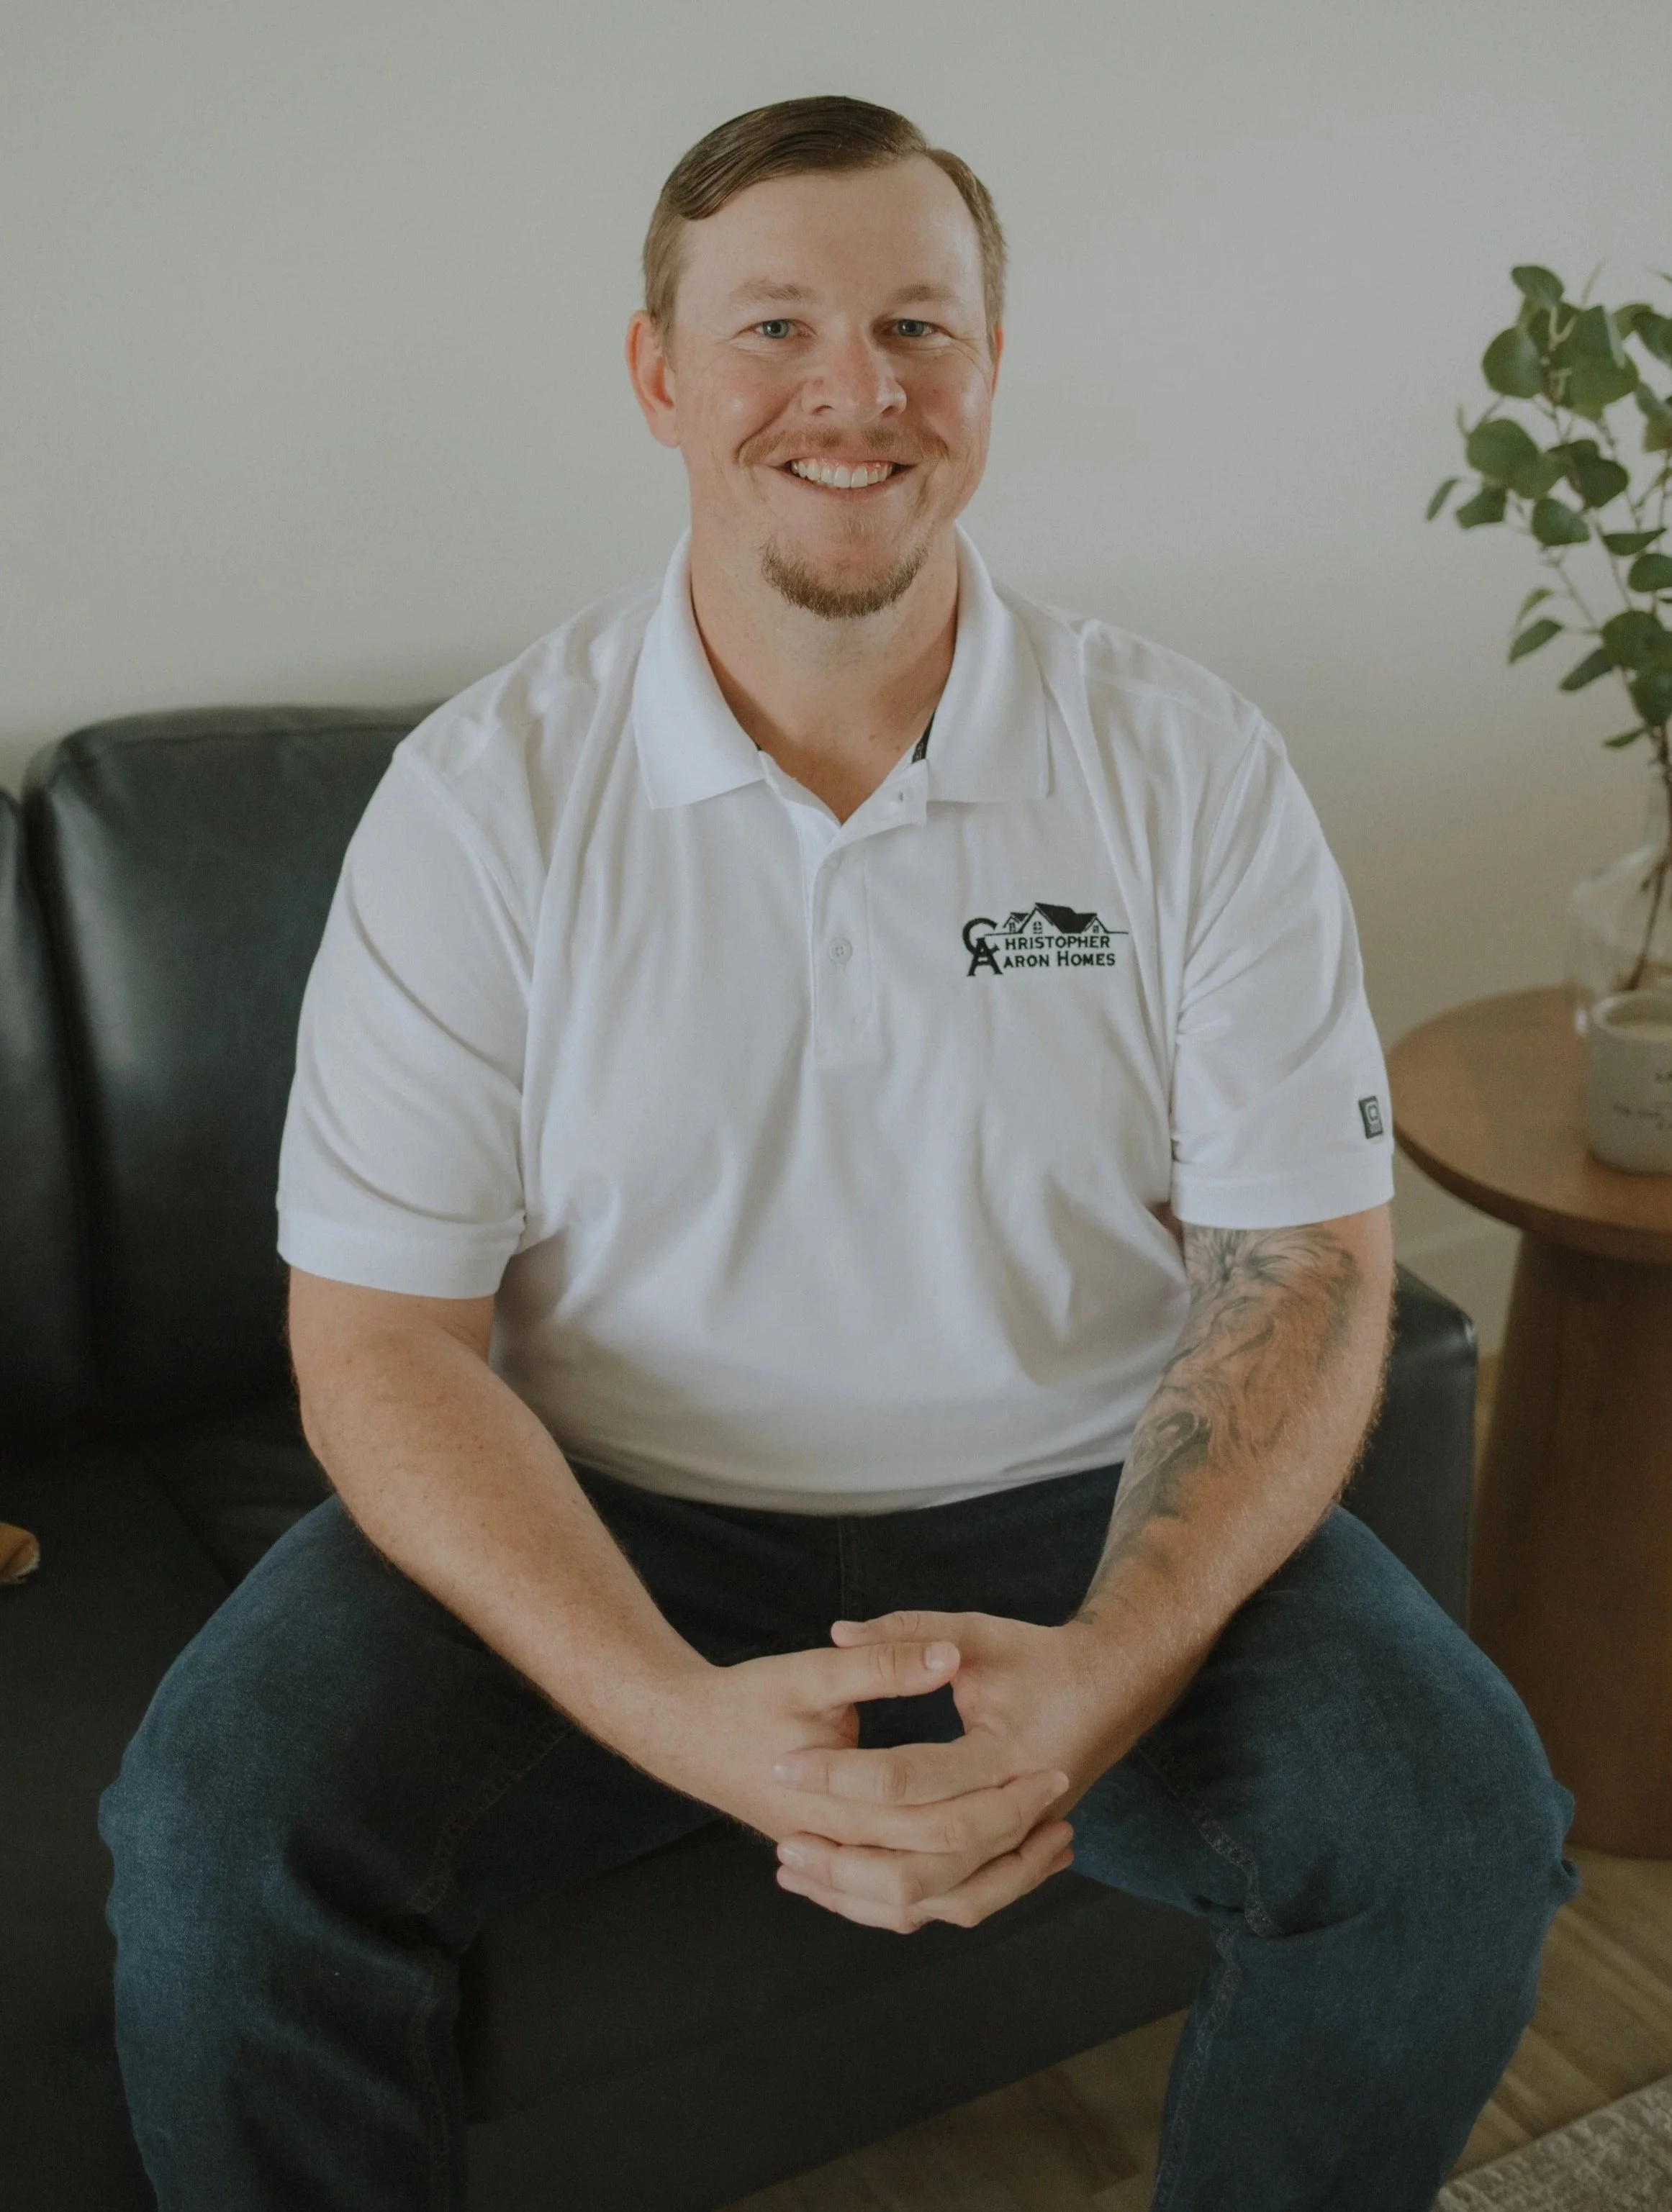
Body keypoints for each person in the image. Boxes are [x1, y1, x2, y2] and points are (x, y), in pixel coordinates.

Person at [99, 94, 1578, 2212]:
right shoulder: (481, 801)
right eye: (776, 327)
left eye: (917, 328)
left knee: (1454, 1825)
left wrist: (1110, 1673)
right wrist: (681, 1720)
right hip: (612, 1507)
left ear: (991, 367)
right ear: (659, 376)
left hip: (1088, 1493)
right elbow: (379, 1339)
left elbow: (1307, 1261)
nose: (856, 393)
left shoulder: (1189, 766)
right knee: (214, 1841)